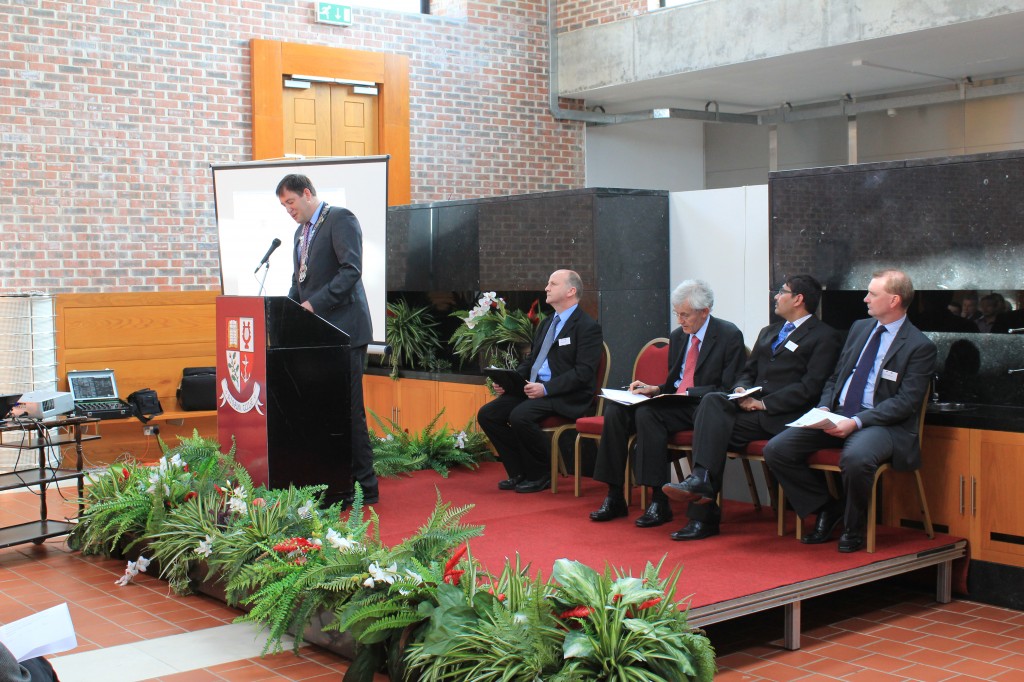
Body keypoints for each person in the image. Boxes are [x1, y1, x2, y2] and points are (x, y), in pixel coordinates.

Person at [763, 269, 937, 553]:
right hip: (837, 414)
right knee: (777, 449)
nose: (866, 299)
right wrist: (823, 406)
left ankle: (853, 527)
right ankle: (827, 509)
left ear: (894, 300)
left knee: (856, 458)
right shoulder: (860, 328)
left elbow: (904, 403)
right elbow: (836, 376)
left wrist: (856, 422)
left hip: (881, 424)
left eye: (873, 294)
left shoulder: (919, 346)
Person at [662, 275, 842, 540]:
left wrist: (764, 403)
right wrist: (740, 390)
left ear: (798, 299)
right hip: (751, 411)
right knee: (712, 404)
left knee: (711, 432)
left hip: (786, 416)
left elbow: (811, 387)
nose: (776, 297)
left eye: (782, 292)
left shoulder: (825, 336)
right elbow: (748, 371)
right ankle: (701, 484)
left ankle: (704, 506)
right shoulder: (769, 332)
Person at [588, 279, 745, 529]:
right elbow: (674, 383)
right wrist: (655, 389)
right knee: (617, 410)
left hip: (701, 407)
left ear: (705, 311)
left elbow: (726, 387)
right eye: (677, 314)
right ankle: (614, 494)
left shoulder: (728, 335)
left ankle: (659, 500)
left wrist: (687, 393)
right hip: (673, 402)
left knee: (648, 414)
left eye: (685, 315)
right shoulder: (678, 337)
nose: (680, 320)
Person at [277, 173, 378, 507]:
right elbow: (299, 281)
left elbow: (351, 271)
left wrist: (313, 305)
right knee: (325, 410)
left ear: (307, 194)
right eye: (284, 205)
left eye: (291, 202)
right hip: (319, 336)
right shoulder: (300, 232)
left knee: (349, 410)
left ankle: (365, 485)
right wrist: (287, 310)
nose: (289, 210)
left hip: (345, 330)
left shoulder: (340, 219)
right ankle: (336, 481)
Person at [477, 270, 603, 493]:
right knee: (488, 414)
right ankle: (519, 471)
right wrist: (510, 381)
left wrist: (546, 389)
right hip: (534, 390)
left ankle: (541, 473)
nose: (546, 288)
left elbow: (583, 373)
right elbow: (532, 361)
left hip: (566, 395)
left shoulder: (587, 327)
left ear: (570, 291)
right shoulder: (546, 324)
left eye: (553, 284)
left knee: (520, 415)